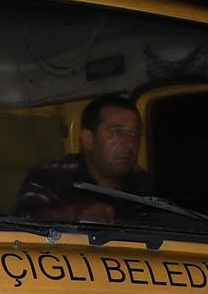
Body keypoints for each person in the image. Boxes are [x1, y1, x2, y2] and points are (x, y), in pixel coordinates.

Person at [20, 95, 152, 223]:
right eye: (116, 132)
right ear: (88, 139)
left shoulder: (140, 180)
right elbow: (22, 220)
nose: (129, 143)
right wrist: (74, 214)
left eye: (135, 134)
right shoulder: (51, 175)